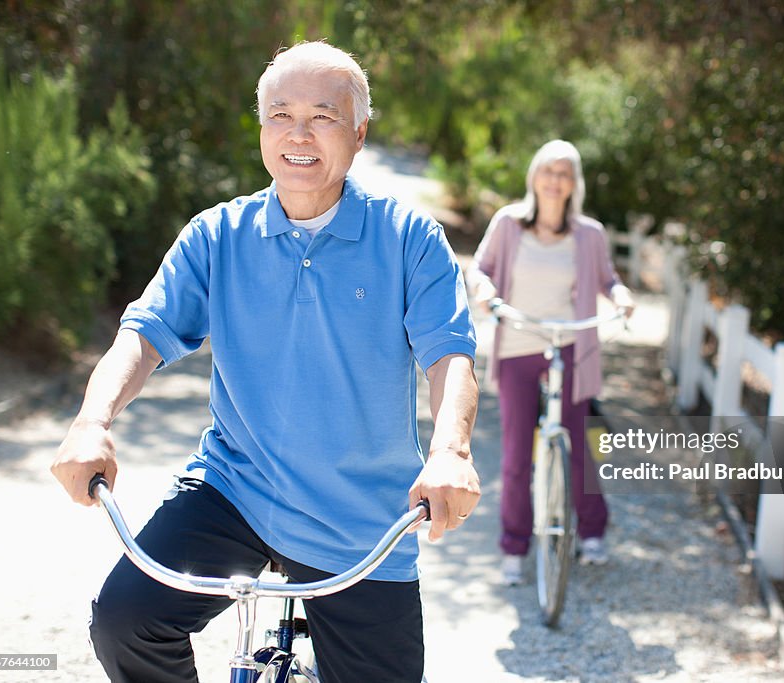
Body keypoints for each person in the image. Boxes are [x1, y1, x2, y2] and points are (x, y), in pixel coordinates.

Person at [50, 41, 480, 683]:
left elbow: (449, 355)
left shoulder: (409, 240)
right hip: (236, 491)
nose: (298, 134)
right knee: (124, 621)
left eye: (323, 116)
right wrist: (92, 421)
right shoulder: (216, 235)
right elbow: (143, 334)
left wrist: (451, 451)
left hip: (361, 520)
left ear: (359, 133)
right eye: (280, 115)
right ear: (260, 130)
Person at [467, 139, 634, 586]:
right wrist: (485, 292)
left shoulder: (589, 234)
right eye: (548, 171)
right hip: (520, 341)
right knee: (518, 453)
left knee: (578, 442)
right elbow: (479, 268)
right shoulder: (508, 224)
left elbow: (609, 280)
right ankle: (514, 548)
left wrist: (621, 297)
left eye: (565, 173)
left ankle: (593, 532)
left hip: (570, 346)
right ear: (534, 176)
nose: (555, 181)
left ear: (574, 183)